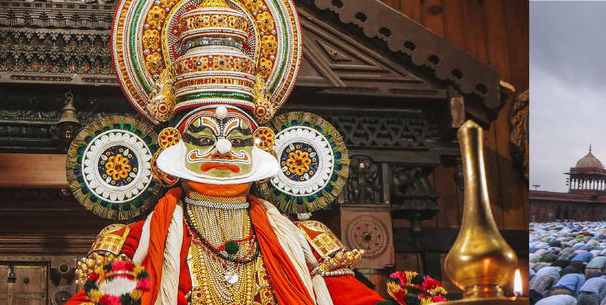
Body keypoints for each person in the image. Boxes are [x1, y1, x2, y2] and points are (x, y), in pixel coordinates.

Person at [62, 0, 381, 303]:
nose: (224, 148)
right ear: (174, 143)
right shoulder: (134, 243)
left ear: (261, 144)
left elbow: (355, 298)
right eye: (203, 138)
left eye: (239, 137)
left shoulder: (302, 241)